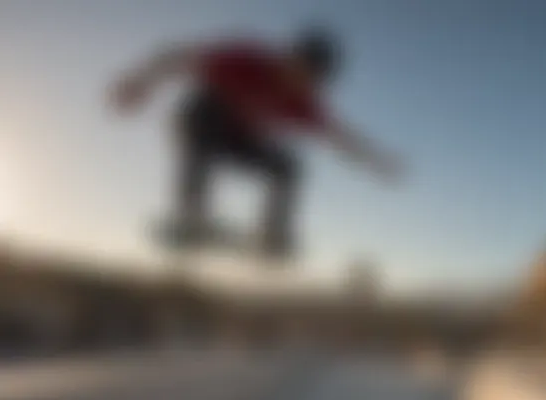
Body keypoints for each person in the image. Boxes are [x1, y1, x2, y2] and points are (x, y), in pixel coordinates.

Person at [109, 27, 402, 259]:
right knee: (207, 112)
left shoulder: (302, 104)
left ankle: (272, 234)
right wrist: (140, 81)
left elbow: (340, 137)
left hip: (240, 142)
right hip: (199, 124)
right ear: (289, 58)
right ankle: (191, 214)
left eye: (310, 80)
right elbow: (175, 57)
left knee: (289, 167)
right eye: (299, 71)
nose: (299, 83)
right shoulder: (246, 61)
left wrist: (377, 162)